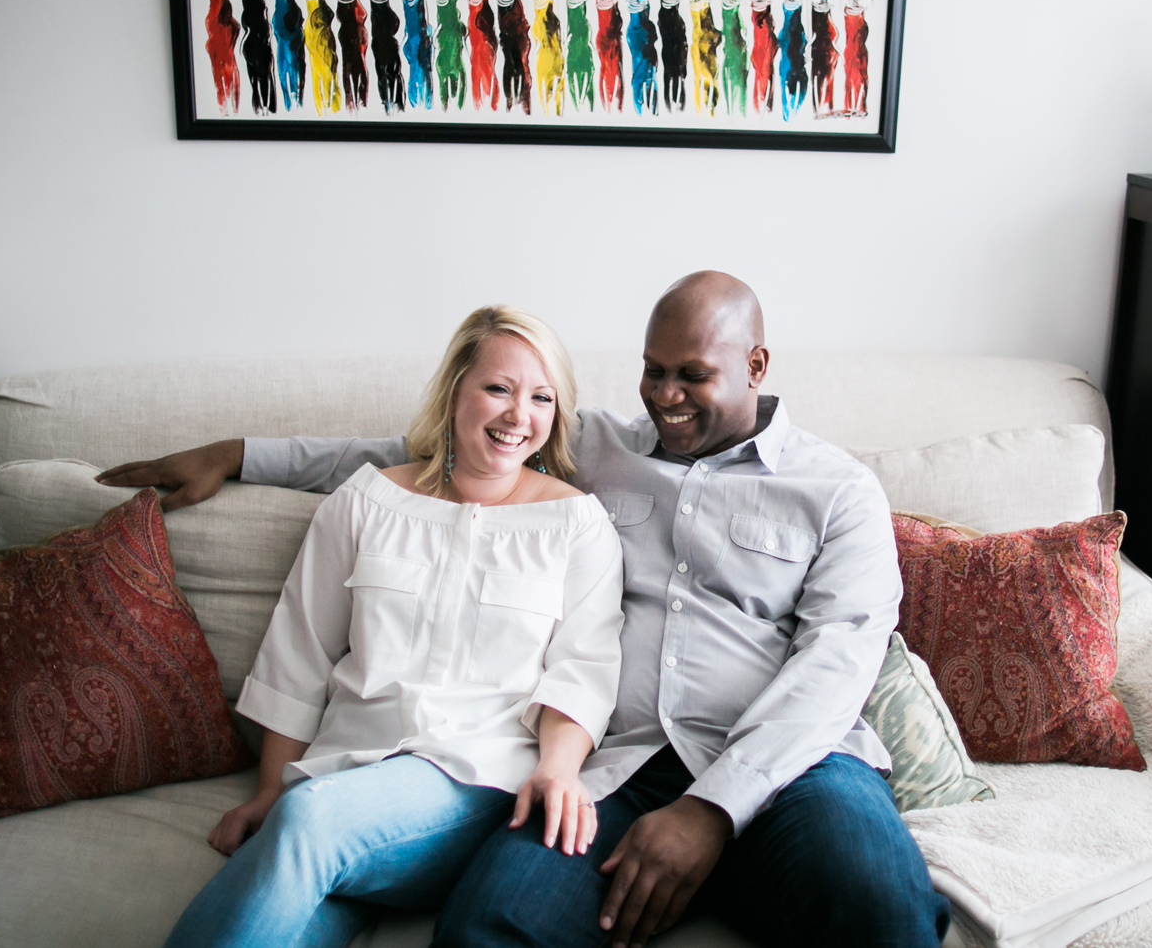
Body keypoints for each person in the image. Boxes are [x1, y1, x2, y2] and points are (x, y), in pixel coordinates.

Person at [102, 272, 948, 948]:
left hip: (793, 765)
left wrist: (711, 810)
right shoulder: (595, 448)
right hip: (621, 767)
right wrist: (237, 453)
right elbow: (433, 455)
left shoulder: (838, 490)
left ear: (757, 367)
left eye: (694, 374)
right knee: (486, 922)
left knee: (879, 899)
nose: (666, 394)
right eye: (654, 370)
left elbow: (837, 662)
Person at [144, 307, 624, 948]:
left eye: (541, 398)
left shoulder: (577, 525)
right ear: (455, 389)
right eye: (498, 389)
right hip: (343, 773)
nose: (518, 416)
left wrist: (560, 770)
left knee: (308, 819)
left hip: (476, 781)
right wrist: (268, 791)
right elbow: (300, 648)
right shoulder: (367, 501)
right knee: (295, 907)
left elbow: (584, 668)